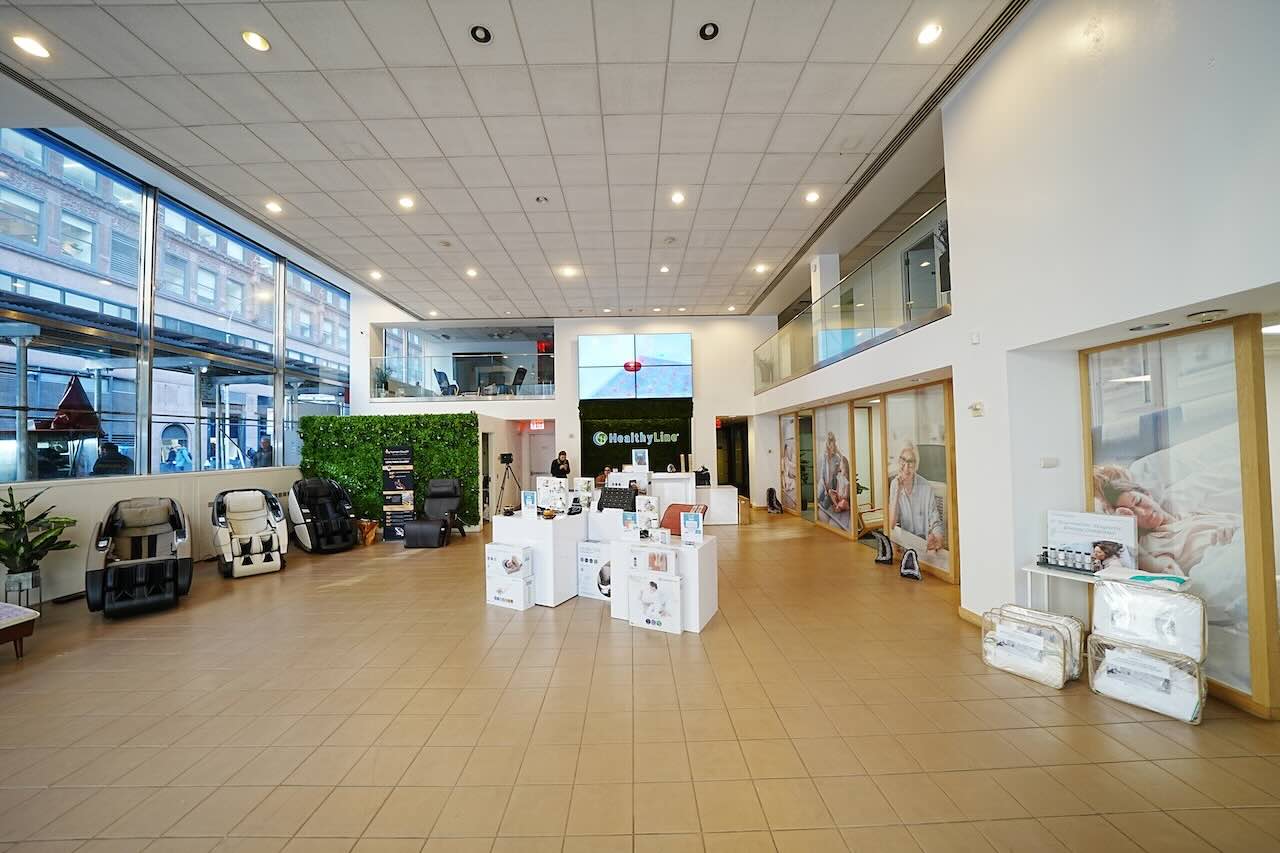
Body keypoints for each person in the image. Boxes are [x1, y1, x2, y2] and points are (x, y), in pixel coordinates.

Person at [1093, 465, 1239, 575]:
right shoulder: (1152, 543)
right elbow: (1169, 572)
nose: (1143, 512)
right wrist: (1217, 553)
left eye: (1138, 501)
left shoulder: (1193, 513)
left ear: (1147, 494)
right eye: (1133, 515)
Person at [887, 440, 944, 551]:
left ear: (916, 465)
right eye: (902, 459)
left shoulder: (926, 487)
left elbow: (935, 520)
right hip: (904, 547)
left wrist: (938, 538)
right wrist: (898, 492)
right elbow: (891, 525)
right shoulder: (894, 484)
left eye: (910, 461)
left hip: (923, 547)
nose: (906, 466)